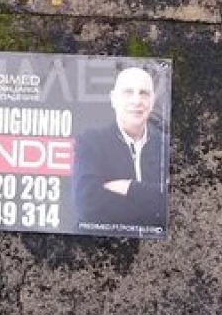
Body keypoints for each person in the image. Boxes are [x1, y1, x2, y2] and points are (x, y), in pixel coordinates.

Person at [72, 62, 168, 234]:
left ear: (152, 101)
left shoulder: (166, 146)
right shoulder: (91, 141)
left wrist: (130, 188)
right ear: (113, 99)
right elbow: (87, 204)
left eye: (144, 93)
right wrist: (154, 205)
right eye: (128, 92)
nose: (137, 100)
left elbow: (176, 203)